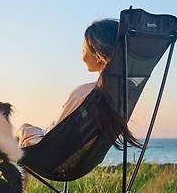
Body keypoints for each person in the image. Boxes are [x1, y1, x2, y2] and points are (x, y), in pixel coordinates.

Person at [17, 19, 141, 150]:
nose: (82, 56)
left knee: (23, 129)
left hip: (50, 154)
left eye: (83, 50)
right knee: (29, 130)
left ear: (98, 55)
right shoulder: (125, 91)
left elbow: (55, 134)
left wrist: (24, 131)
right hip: (79, 158)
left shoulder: (87, 93)